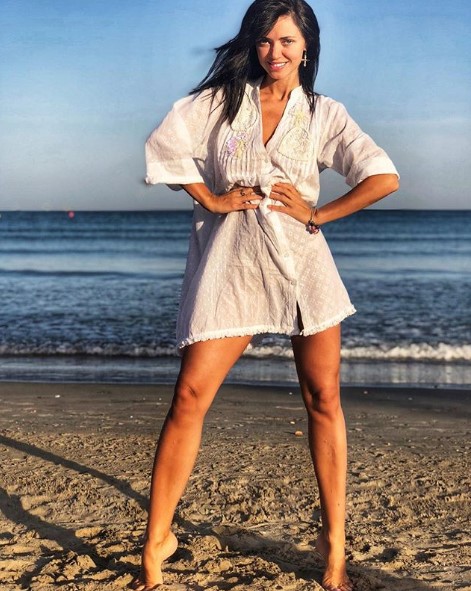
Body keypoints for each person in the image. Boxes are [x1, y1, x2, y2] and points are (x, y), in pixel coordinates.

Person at [135, 0, 399, 589]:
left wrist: (319, 213)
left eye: (286, 41)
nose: (274, 52)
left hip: (303, 266)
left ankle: (334, 549)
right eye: (263, 41)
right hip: (233, 263)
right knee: (189, 396)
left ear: (307, 47)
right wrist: (210, 198)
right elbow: (165, 145)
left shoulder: (325, 113)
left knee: (324, 398)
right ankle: (156, 546)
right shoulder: (222, 102)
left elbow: (383, 176)